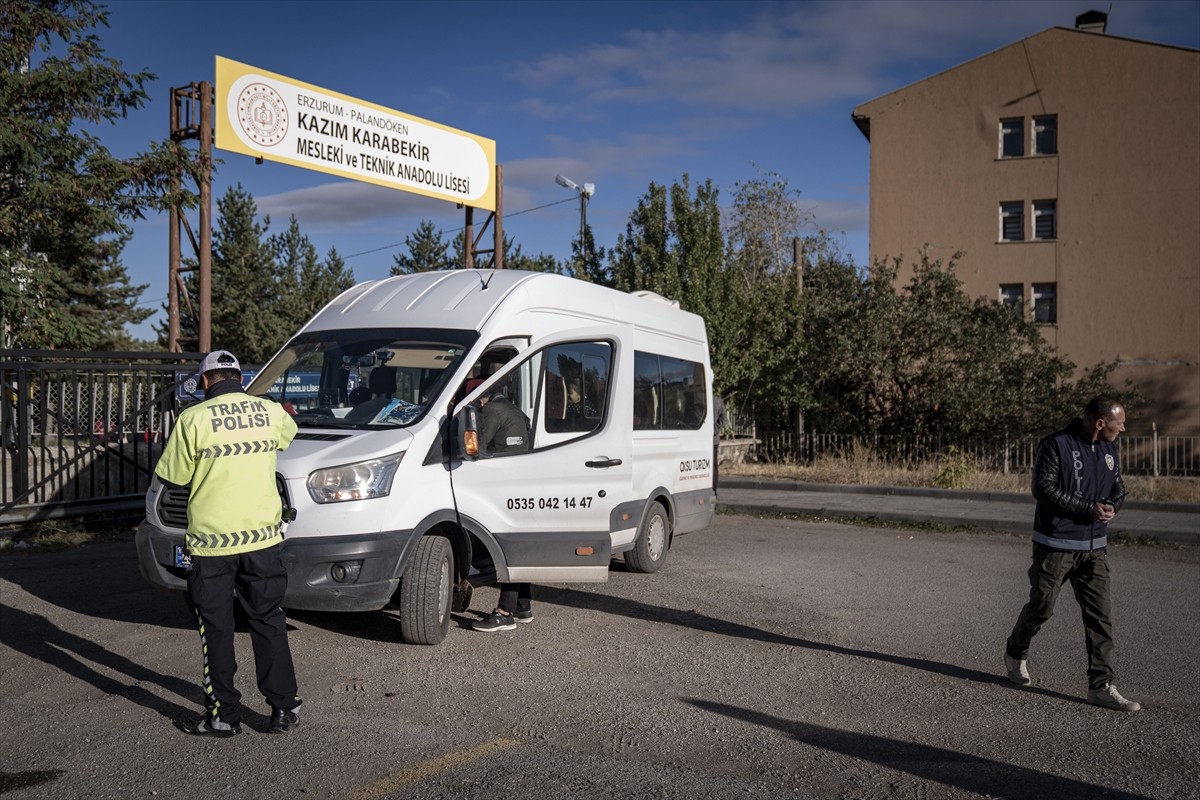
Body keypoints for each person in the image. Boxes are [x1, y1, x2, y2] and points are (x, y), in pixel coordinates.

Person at [155, 350, 303, 736]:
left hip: (211, 544)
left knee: (216, 628)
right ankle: (283, 708)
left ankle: (223, 716)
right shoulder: (269, 412)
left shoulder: (193, 419)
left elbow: (174, 477)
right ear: (239, 378)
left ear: (205, 381)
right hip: (262, 539)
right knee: (268, 620)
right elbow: (289, 436)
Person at [1003, 395, 1139, 712]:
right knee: (1042, 607)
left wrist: (1113, 506)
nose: (1124, 427)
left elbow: (1118, 485)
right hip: (1055, 544)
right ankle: (1015, 652)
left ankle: (1101, 686)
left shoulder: (1109, 448)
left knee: (1100, 618)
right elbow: (1043, 488)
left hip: (1094, 549)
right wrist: (1087, 509)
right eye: (1120, 423)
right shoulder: (1056, 444)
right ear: (1100, 423)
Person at [471, 380, 533, 632]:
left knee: (509, 548)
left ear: (479, 397)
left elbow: (477, 448)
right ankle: (522, 606)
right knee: (518, 544)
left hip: (505, 482)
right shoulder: (513, 408)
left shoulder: (491, 411)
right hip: (522, 479)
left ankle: (505, 612)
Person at [712, 394, 728, 495]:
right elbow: (724, 419)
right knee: (713, 465)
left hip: (712, 440)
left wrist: (712, 431)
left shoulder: (716, 400)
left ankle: (713, 488)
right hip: (713, 439)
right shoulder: (718, 400)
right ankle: (714, 489)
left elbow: (723, 418)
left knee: (713, 466)